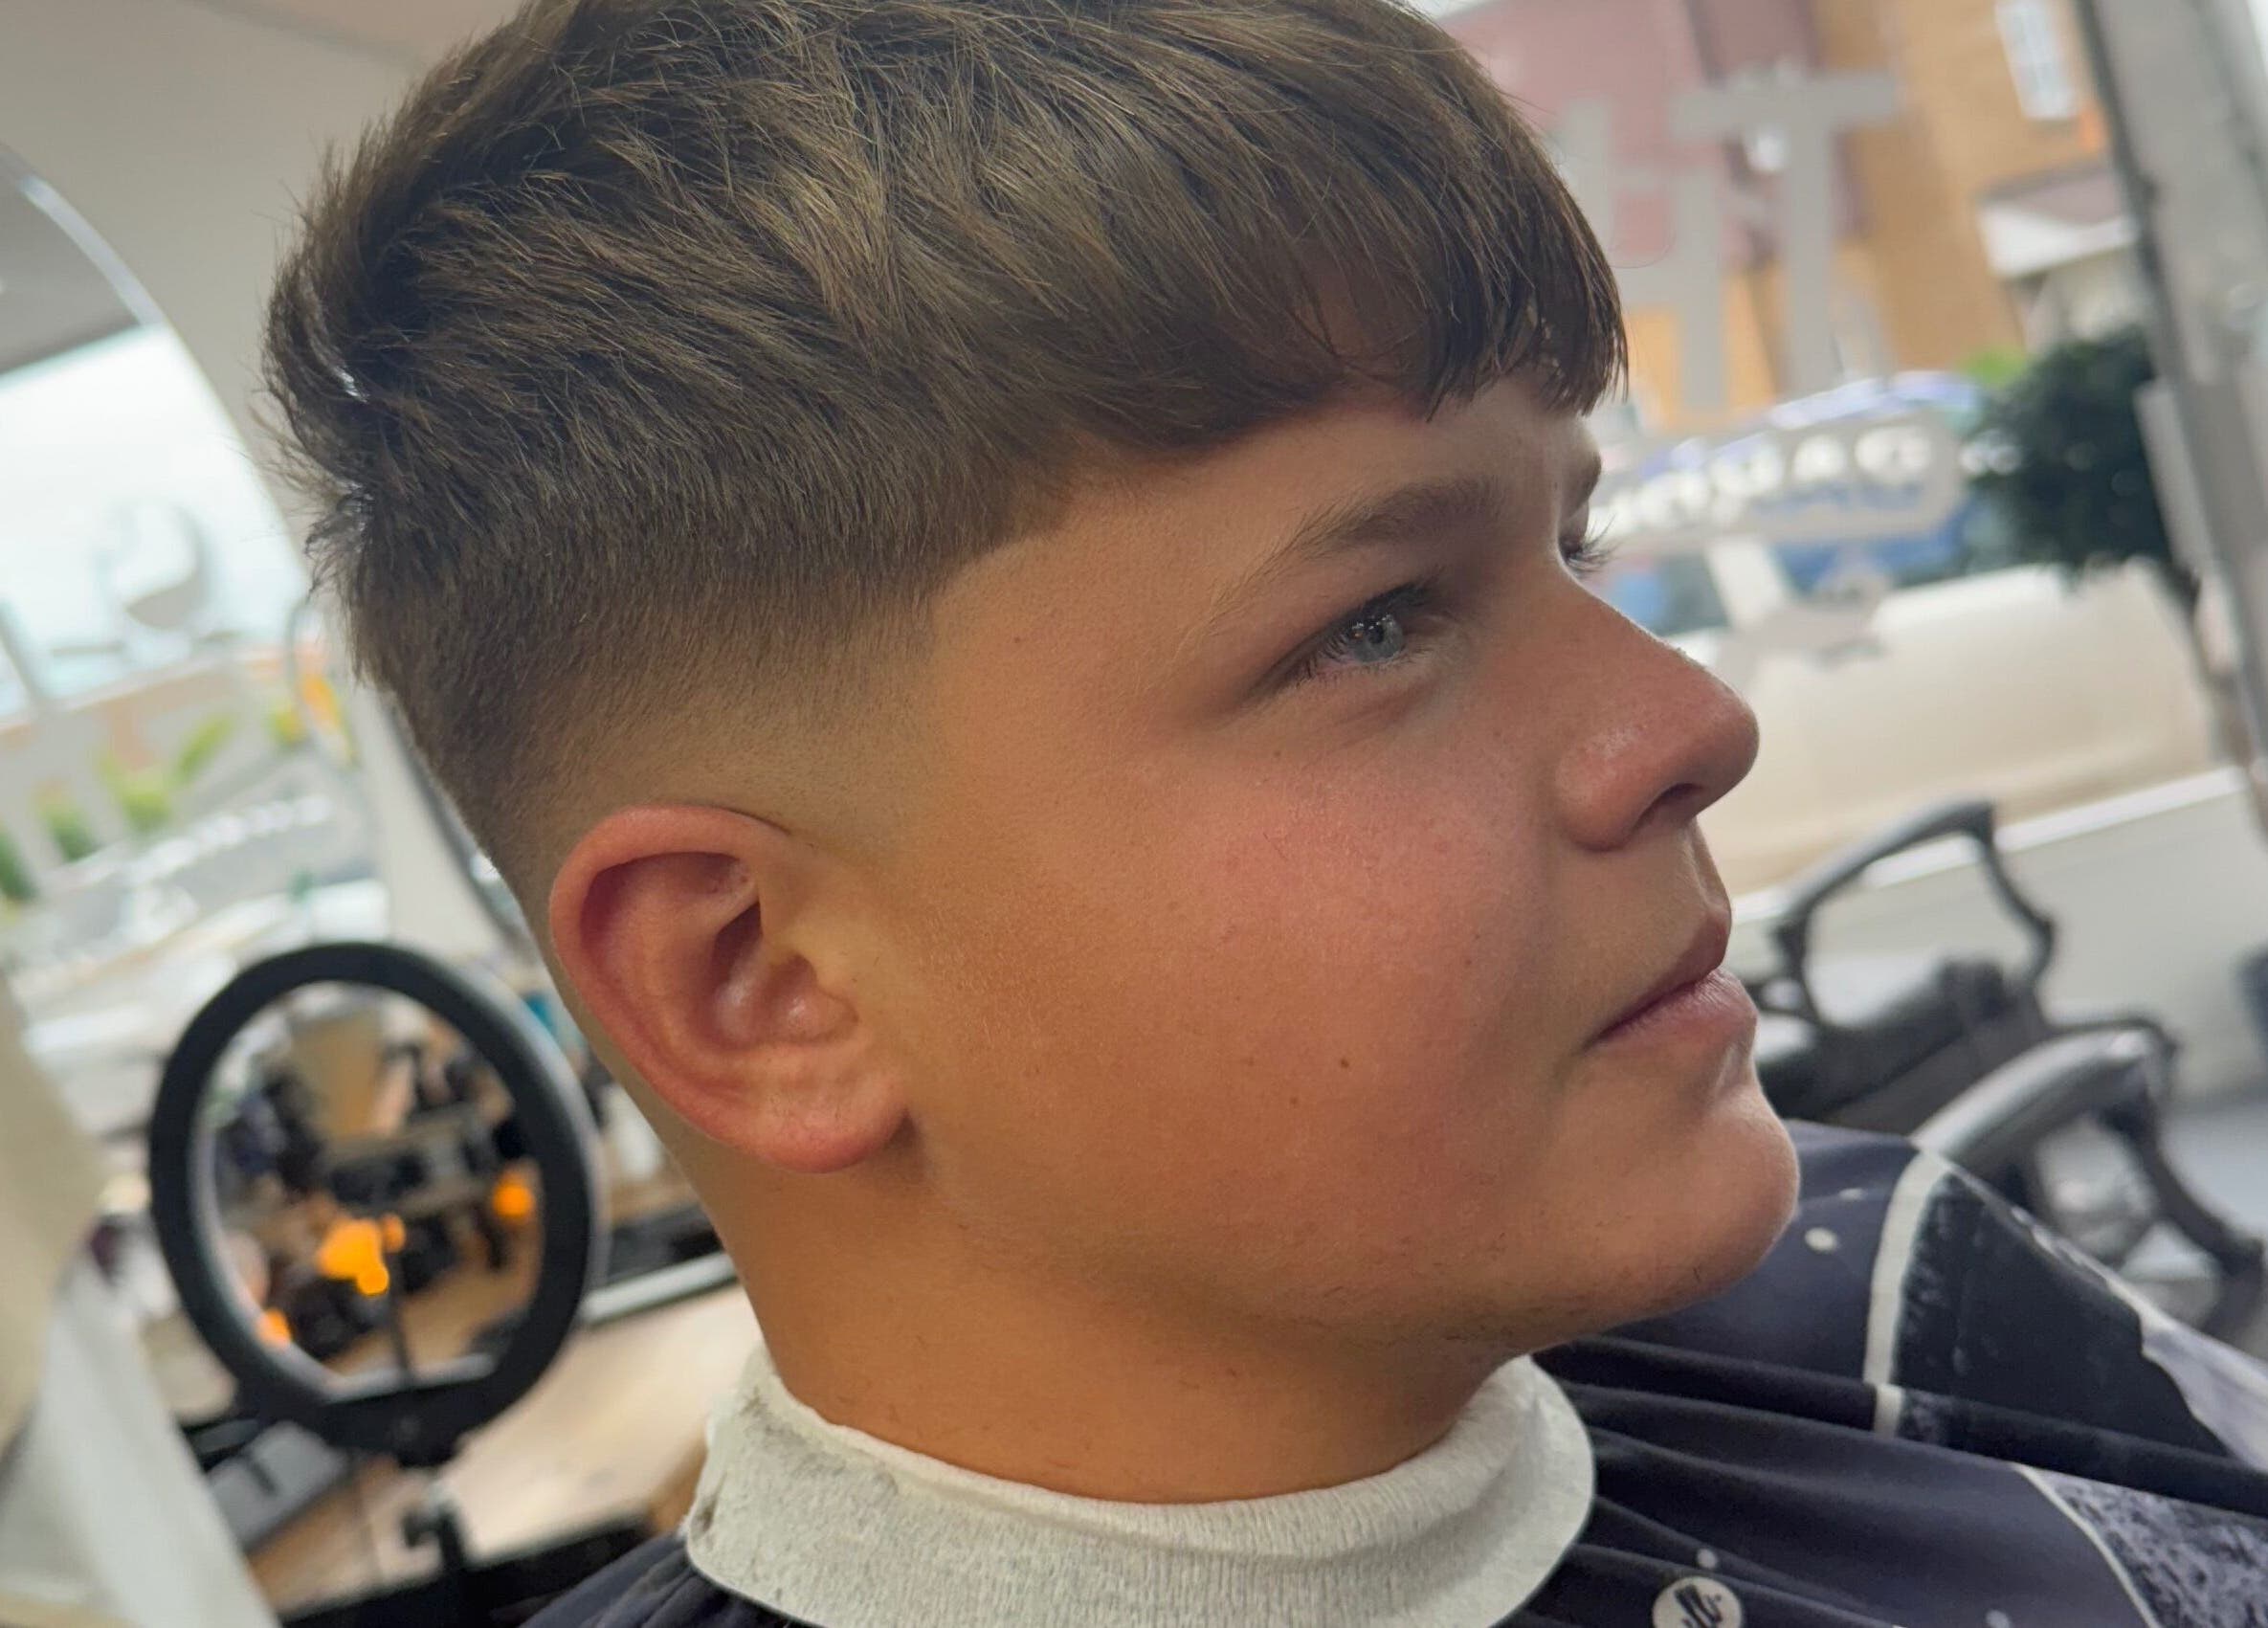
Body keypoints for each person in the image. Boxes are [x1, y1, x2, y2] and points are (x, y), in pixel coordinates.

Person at [262, 1, 2268, 1621]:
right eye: (1374, 620)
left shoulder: (1895, 1273)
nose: (1688, 718)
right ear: (766, 979)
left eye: (1578, 537)